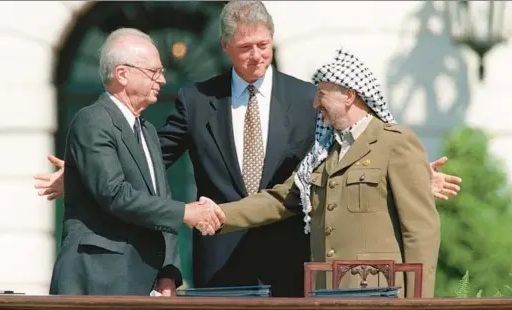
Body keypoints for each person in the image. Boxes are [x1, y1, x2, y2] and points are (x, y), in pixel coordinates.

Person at [35, 1, 461, 297]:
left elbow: (351, 155)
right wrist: (82, 173)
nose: (257, 56)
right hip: (221, 265)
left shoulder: (304, 98)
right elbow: (148, 160)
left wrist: (417, 175)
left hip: (294, 262)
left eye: (263, 45)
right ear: (226, 48)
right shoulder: (197, 99)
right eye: (245, 48)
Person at [199, 48, 443, 298]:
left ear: (349, 96)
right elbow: (281, 199)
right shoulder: (323, 152)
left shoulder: (395, 143)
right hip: (325, 294)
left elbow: (421, 230)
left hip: (379, 295)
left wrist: (419, 303)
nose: (315, 104)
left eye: (322, 95)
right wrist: (219, 215)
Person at [49, 28, 224, 296]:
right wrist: (186, 212)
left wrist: (169, 271)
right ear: (122, 74)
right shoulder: (92, 120)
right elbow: (115, 194)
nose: (163, 80)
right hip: (97, 281)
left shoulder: (148, 131)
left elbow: (160, 198)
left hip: (144, 285)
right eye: (154, 72)